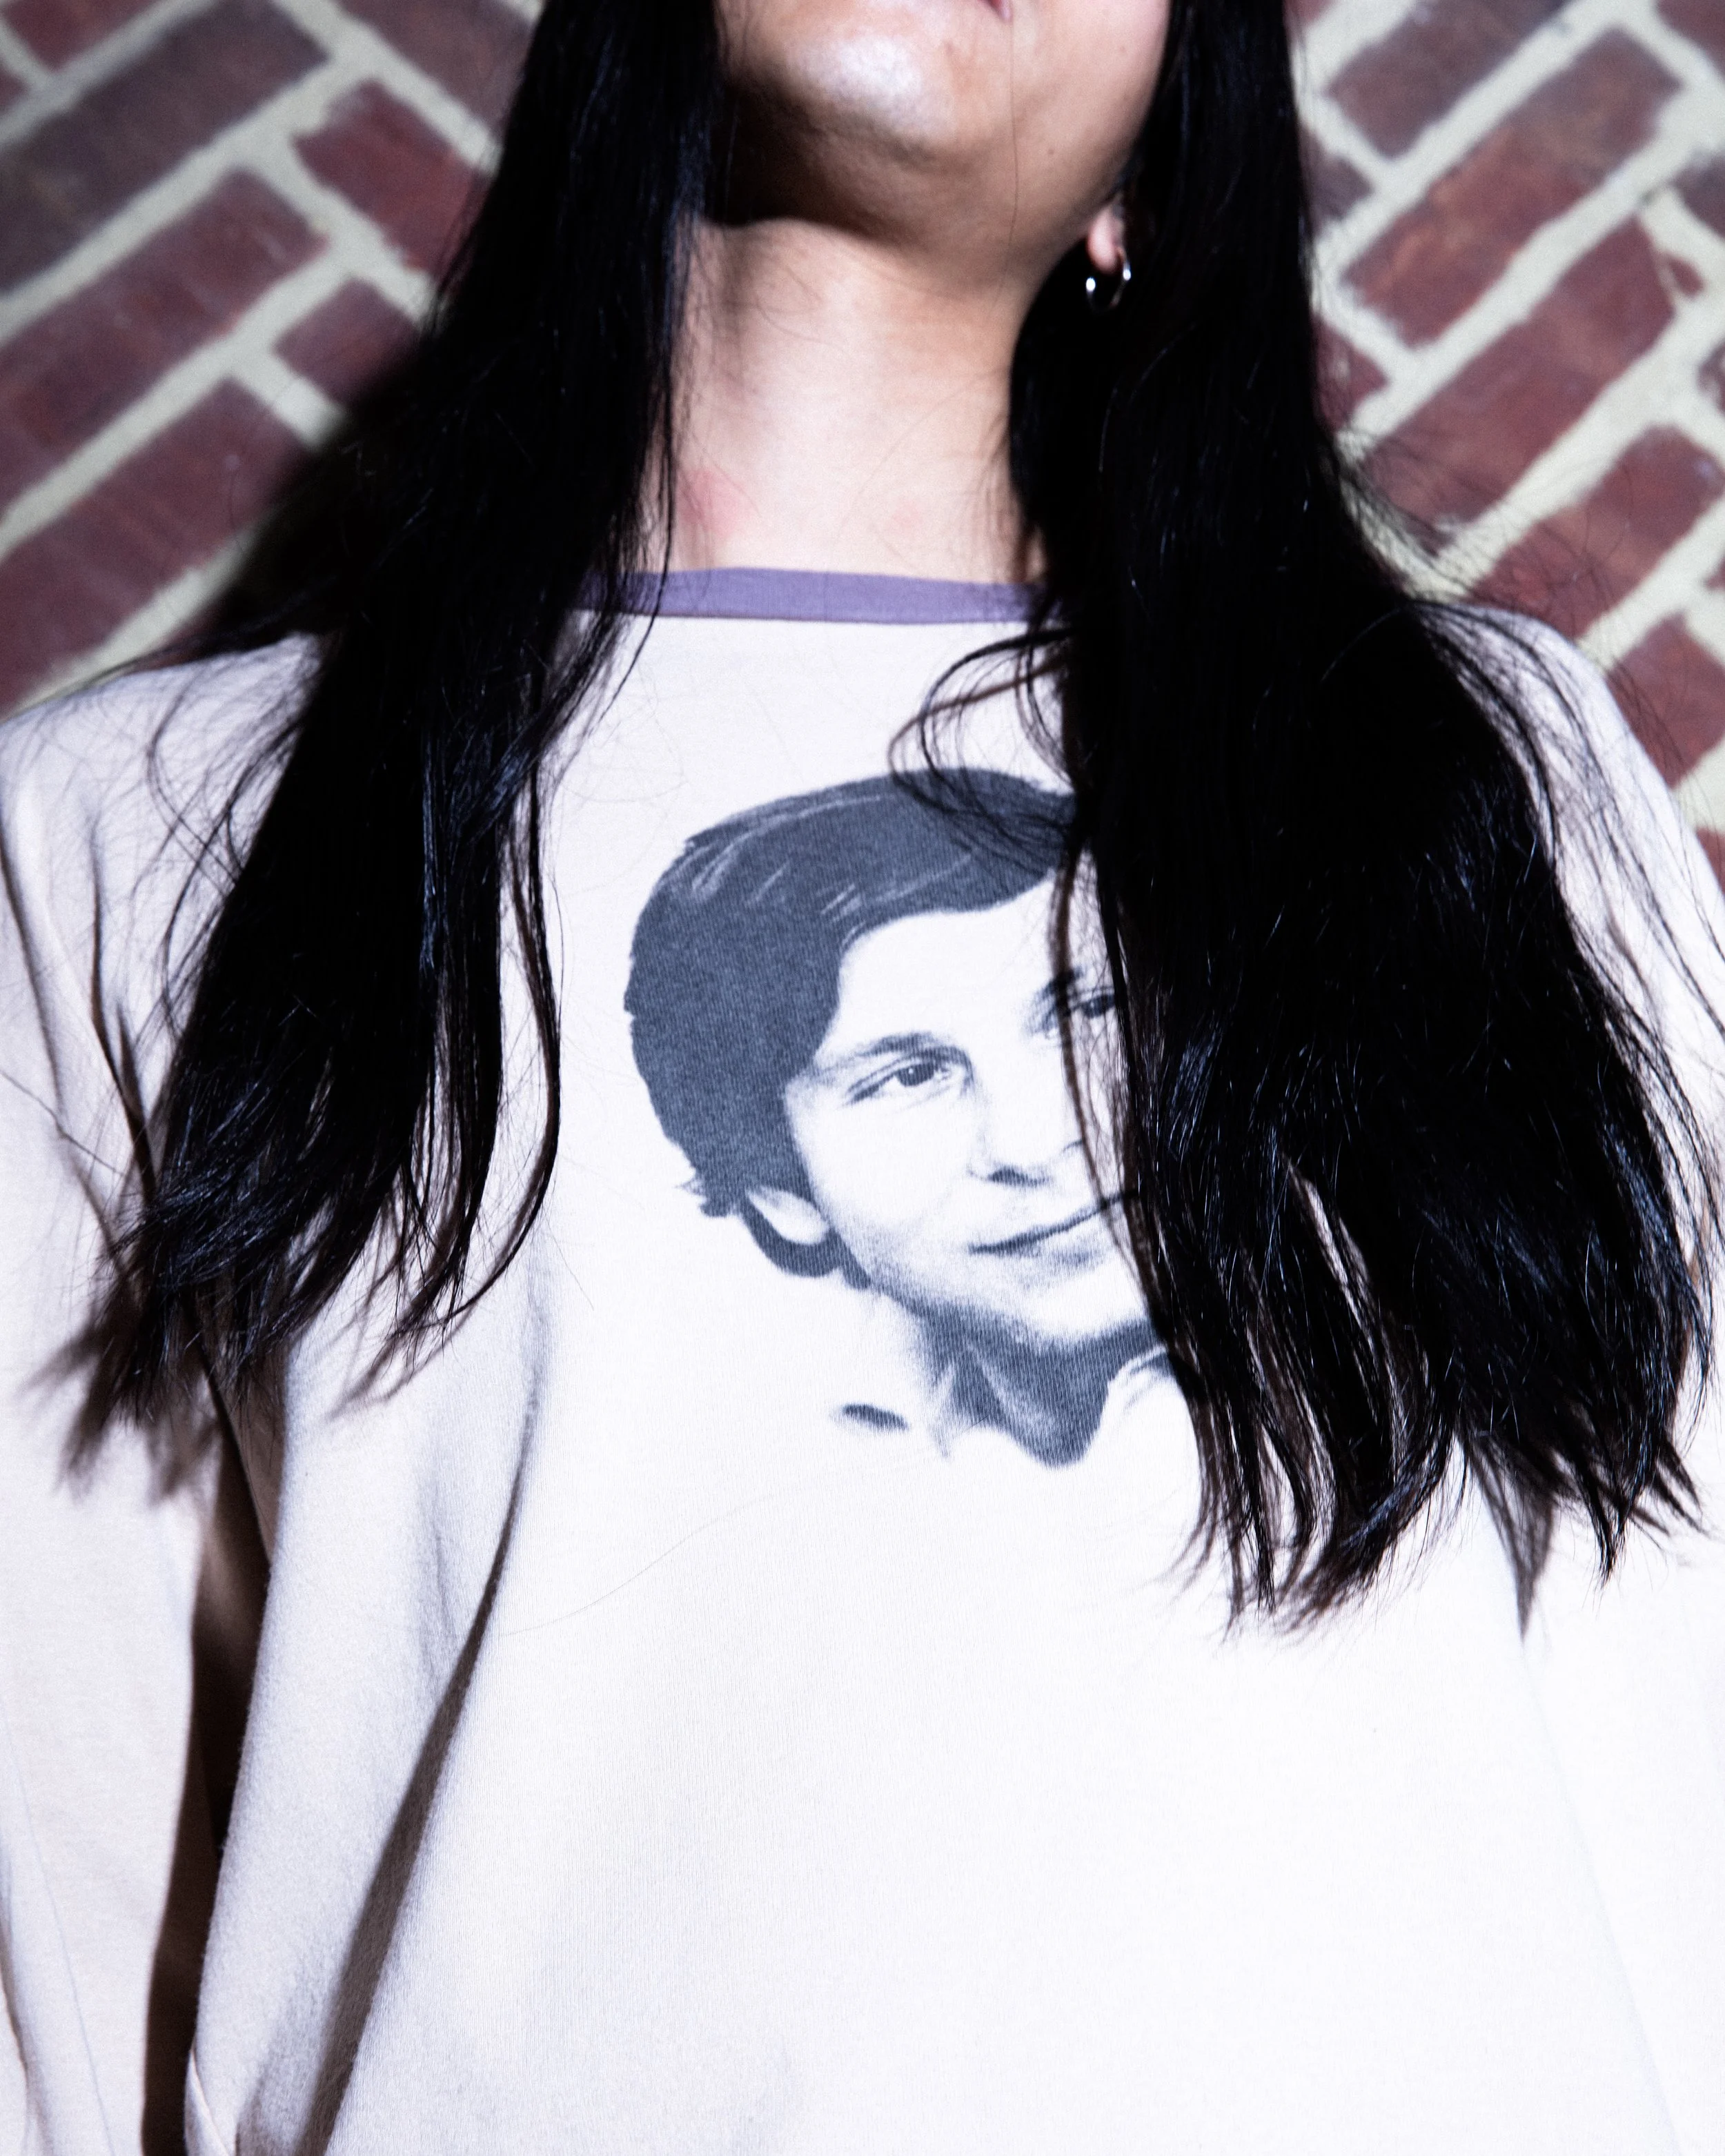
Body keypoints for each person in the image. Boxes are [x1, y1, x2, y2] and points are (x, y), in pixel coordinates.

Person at [2, 0, 1724, 2150]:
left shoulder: (1469, 774)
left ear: (1144, 179)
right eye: (898, 1072)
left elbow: (1680, 1671)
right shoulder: (144, 825)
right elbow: (60, 1899)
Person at [627, 771, 1158, 1461]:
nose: (1033, 1142)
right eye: (910, 1076)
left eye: (1088, 1011)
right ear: (779, 1192)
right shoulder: (804, 1464)